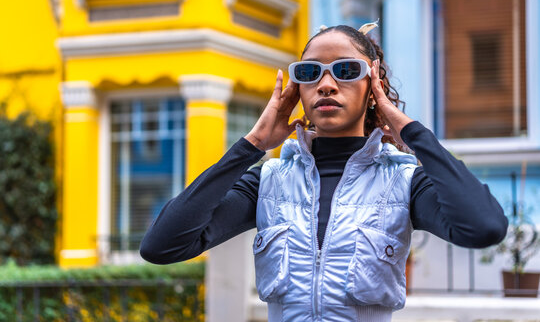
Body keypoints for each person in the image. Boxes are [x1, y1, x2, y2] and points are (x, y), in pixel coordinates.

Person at [140, 23, 508, 321]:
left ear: (373, 86)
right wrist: (251, 145)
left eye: (347, 71)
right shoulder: (268, 181)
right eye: (310, 72)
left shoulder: (404, 181)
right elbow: (161, 246)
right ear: (298, 88)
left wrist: (413, 135)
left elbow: (483, 226)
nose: (327, 84)